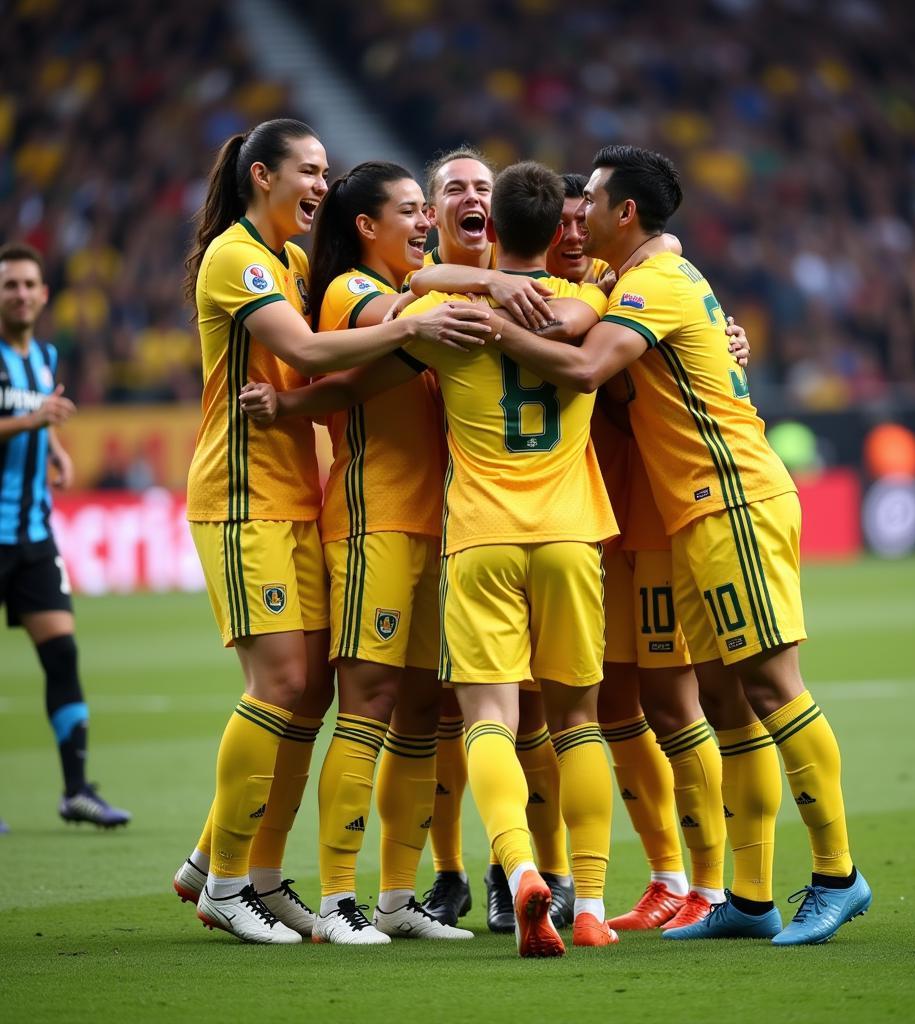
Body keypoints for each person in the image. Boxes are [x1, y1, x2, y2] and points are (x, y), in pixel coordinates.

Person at [482, 145, 871, 947]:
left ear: (625, 212)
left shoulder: (654, 284)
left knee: (772, 686)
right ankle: (750, 898)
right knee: (728, 702)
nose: (576, 213)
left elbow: (588, 367)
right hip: (695, 511)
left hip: (733, 498)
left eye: (588, 199)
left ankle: (838, 875)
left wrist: (492, 328)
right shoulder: (646, 280)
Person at [247, 161, 620, 957]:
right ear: (559, 232)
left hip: (473, 535)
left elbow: (353, 380)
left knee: (467, 718)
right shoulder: (590, 304)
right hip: (486, 528)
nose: (440, 213)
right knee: (548, 718)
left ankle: (496, 874)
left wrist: (288, 401)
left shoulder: (451, 315)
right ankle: (579, 898)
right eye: (426, 200)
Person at [175, 118, 490, 946]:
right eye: (307, 172)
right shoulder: (237, 257)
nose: (319, 183)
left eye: (325, 173)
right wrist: (416, 324)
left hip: (298, 495)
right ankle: (231, 882)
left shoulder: (291, 262)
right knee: (285, 686)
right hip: (245, 497)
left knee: (310, 692)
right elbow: (314, 353)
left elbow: (341, 377)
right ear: (261, 176)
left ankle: (241, 868)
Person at [241, 160, 473, 944]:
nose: (423, 223)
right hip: (374, 521)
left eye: (424, 211)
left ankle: (397, 898)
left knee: (422, 712)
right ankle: (338, 896)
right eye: (409, 211)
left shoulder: (418, 295)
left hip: (436, 528)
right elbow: (393, 343)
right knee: (367, 701)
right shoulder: (351, 293)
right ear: (367, 226)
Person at [549, 175, 738, 932]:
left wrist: (732, 341)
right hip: (592, 525)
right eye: (559, 221)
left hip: (656, 514)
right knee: (618, 700)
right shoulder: (517, 285)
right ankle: (665, 876)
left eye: (579, 217)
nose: (570, 233)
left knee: (670, 698)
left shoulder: (617, 286)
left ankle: (712, 885)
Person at [409, 147, 573, 933]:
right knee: (443, 716)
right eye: (453, 189)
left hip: (482, 528)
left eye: (482, 186)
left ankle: (523, 873)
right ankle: (449, 874)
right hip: (444, 523)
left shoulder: (453, 307)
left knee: (509, 716)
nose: (470, 197)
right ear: (432, 213)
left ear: (494, 216)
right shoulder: (553, 298)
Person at [0, 241, 131, 830]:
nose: (21, 293)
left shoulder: (46, 356)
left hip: (33, 537)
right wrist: (35, 423)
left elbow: (39, 413)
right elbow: (29, 414)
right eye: (10, 285)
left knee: (62, 654)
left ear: (44, 294)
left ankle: (76, 790)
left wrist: (52, 450)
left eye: (29, 284)